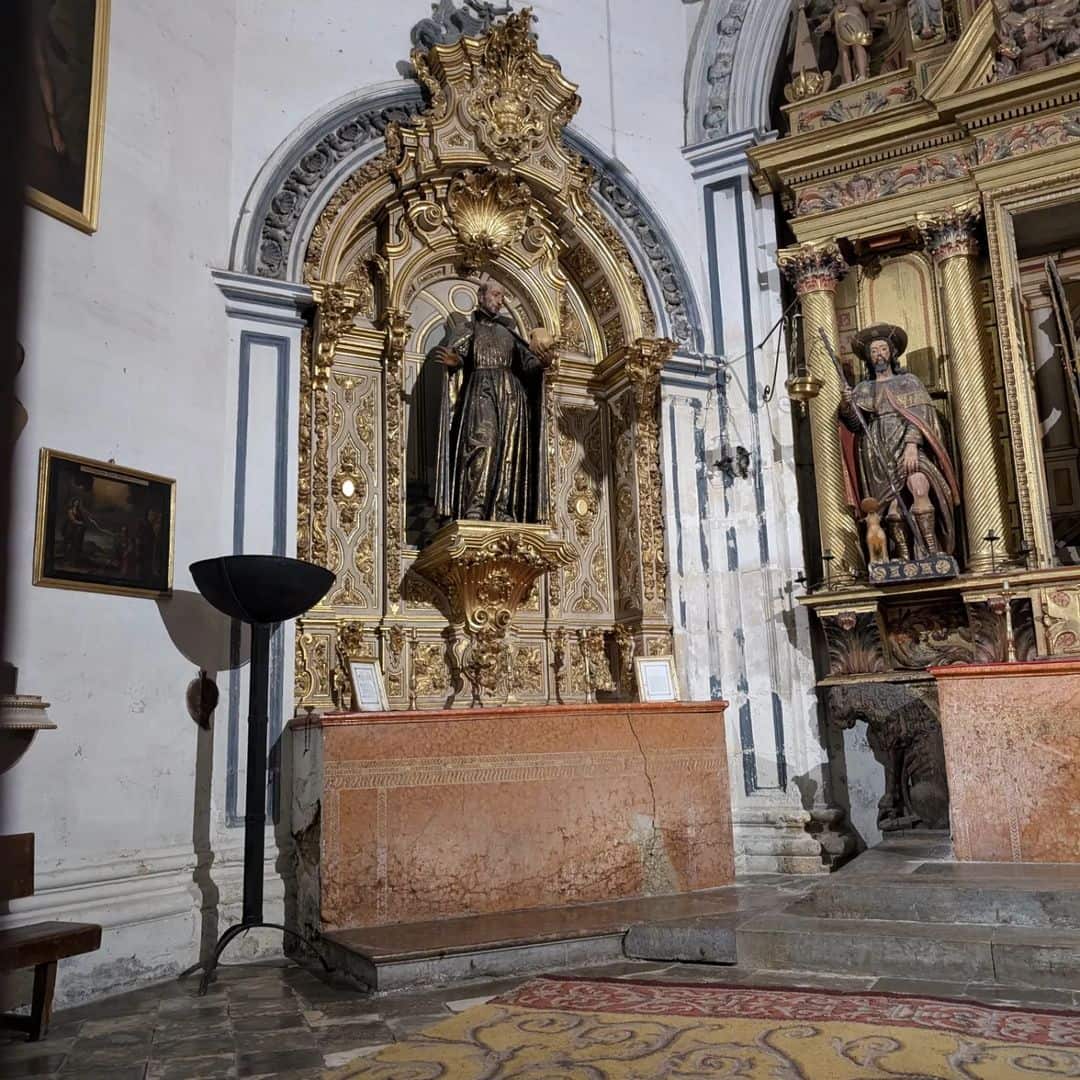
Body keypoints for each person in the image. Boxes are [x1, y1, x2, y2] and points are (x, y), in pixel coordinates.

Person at [433, 280, 554, 523]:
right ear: (481, 296)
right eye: (496, 295)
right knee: (481, 446)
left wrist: (544, 362)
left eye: (502, 296)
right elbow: (460, 355)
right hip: (481, 391)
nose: (500, 300)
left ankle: (504, 509)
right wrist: (455, 363)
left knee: (509, 452)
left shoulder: (508, 332)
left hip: (511, 396)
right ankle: (474, 508)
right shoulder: (469, 329)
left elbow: (528, 365)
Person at [839, 324, 961, 561]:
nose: (879, 354)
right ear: (868, 358)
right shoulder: (864, 389)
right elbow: (855, 424)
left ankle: (933, 551)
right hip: (876, 451)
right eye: (873, 351)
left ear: (892, 353)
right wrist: (847, 405)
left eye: (883, 349)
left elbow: (921, 415)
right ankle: (904, 558)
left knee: (919, 486)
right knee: (893, 506)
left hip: (906, 445)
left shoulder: (909, 382)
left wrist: (912, 445)